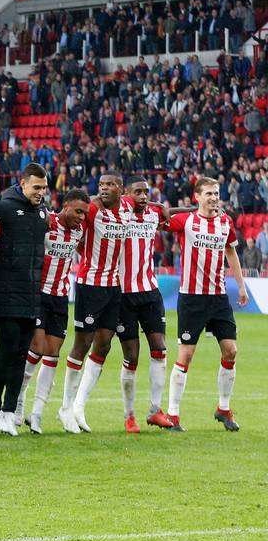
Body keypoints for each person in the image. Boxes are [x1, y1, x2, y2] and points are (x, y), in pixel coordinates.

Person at [164, 176, 247, 432]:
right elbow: (160, 217)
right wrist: (177, 210)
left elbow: (231, 252)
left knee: (231, 351)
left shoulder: (225, 222)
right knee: (186, 356)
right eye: (208, 194)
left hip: (218, 297)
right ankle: (173, 415)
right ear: (197, 197)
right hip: (191, 297)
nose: (213, 198)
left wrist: (242, 286)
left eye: (216, 193)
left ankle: (223, 408)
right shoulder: (186, 221)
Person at [0, 162, 50, 436]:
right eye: (36, 187)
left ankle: (10, 411)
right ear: (22, 184)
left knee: (22, 354)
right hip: (6, 291)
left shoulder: (41, 212)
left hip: (31, 293)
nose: (41, 193)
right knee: (6, 350)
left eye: (44, 188)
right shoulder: (4, 208)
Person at [61, 173, 130, 434]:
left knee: (103, 344)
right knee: (82, 344)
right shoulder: (90, 209)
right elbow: (69, 214)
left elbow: (152, 205)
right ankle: (66, 407)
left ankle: (79, 406)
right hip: (90, 284)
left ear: (120, 189)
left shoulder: (127, 207)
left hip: (113, 287)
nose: (104, 189)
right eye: (101, 184)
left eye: (110, 185)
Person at [15, 188, 88, 434]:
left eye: (84, 213)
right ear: (65, 206)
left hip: (60, 297)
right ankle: (18, 401)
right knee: (36, 347)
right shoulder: (46, 223)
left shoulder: (79, 231)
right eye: (78, 211)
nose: (81, 217)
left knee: (53, 353)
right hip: (39, 294)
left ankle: (36, 413)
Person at [116, 178, 178, 431]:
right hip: (123, 294)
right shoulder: (116, 213)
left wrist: (159, 204)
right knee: (131, 356)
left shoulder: (153, 214)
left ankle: (155, 409)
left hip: (150, 292)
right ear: (126, 194)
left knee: (160, 348)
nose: (143, 196)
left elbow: (172, 214)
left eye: (146, 192)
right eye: (138, 192)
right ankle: (129, 415)